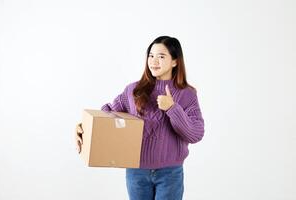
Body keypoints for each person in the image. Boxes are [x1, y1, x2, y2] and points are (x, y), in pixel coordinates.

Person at [75, 36, 205, 200]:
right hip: (136, 172)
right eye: (151, 55)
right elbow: (106, 115)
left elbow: (196, 134)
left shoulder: (187, 94)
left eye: (161, 56)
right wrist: (83, 127)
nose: (154, 61)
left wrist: (172, 108)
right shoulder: (133, 90)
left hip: (170, 173)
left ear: (175, 61)